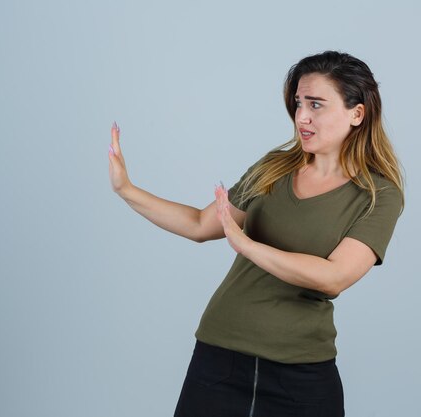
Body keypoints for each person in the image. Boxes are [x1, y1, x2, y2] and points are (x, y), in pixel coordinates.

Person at [107, 50, 404, 417]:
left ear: (357, 113)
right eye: (298, 103)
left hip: (300, 374)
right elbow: (200, 225)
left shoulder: (378, 195)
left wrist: (246, 245)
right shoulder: (274, 168)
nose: (302, 117)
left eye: (316, 104)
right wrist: (127, 189)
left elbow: (334, 277)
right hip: (219, 358)